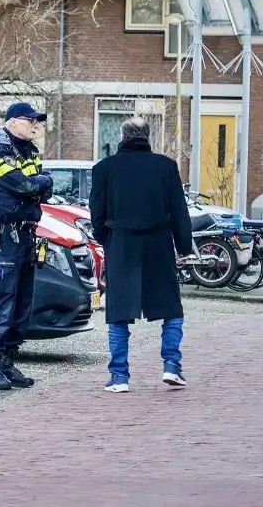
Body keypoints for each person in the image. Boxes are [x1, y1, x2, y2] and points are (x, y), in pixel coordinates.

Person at [88, 116, 194, 393]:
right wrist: (183, 247)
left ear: (122, 137)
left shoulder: (104, 169)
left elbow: (96, 214)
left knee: (119, 310)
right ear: (148, 138)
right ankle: (172, 364)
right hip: (158, 241)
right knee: (170, 306)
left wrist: (106, 240)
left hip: (121, 243)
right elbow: (179, 212)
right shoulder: (166, 167)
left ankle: (119, 376)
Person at [0, 102, 53, 390]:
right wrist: (35, 184)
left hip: (25, 235)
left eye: (37, 121)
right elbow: (21, 185)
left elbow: (42, 190)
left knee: (22, 301)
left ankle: (8, 361)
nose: (35, 125)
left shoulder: (28, 151)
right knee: (4, 298)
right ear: (12, 121)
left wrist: (37, 183)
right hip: (5, 236)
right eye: (30, 120)